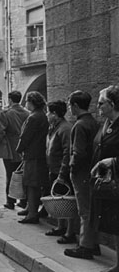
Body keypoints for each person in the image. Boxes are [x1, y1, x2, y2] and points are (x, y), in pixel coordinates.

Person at [63, 90, 99, 259]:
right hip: (92, 170)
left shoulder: (79, 125)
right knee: (91, 209)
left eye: (70, 105)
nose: (70, 109)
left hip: (81, 172)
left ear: (75, 106)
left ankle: (85, 245)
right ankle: (93, 242)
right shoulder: (94, 122)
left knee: (84, 210)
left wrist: (72, 169)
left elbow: (78, 152)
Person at [90, 85, 119, 269]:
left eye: (101, 103)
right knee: (115, 226)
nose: (98, 107)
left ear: (112, 104)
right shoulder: (107, 123)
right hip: (109, 183)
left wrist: (113, 161)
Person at [16, 91, 49, 224]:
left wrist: (19, 149)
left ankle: (32, 213)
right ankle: (31, 208)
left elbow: (25, 137)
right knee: (36, 183)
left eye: (27, 102)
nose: (25, 104)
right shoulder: (42, 115)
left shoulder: (34, 117)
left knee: (31, 184)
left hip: (32, 155)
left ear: (32, 102)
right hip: (39, 153)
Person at [45, 100, 76, 243]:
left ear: (55, 114)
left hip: (61, 171)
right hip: (54, 169)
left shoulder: (65, 129)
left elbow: (67, 153)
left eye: (49, 112)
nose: (47, 115)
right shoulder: (55, 127)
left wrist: (63, 173)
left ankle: (70, 232)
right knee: (59, 199)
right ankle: (60, 226)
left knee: (67, 200)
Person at [0, 91, 29, 210]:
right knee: (23, 174)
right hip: (24, 148)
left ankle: (10, 201)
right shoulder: (27, 113)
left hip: (10, 148)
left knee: (10, 174)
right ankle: (24, 200)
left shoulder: (6, 113)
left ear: (10, 100)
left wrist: (0, 145)